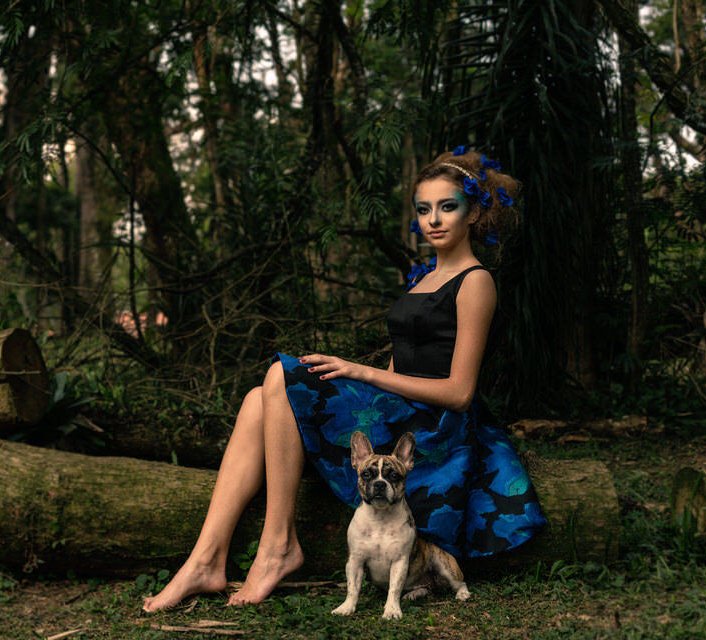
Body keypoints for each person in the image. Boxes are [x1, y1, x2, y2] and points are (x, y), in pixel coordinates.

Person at [142, 147, 546, 612]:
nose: (433, 219)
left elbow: (459, 393)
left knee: (279, 374)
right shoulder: (424, 278)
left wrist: (358, 371)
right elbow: (398, 369)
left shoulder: (476, 281)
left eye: (447, 206)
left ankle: (277, 548)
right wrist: (365, 388)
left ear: (474, 212)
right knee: (259, 397)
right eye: (423, 209)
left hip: (436, 428)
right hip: (402, 406)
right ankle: (205, 559)